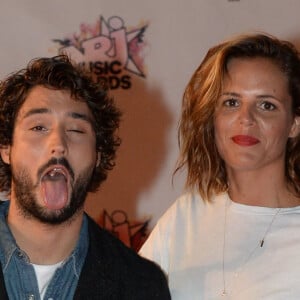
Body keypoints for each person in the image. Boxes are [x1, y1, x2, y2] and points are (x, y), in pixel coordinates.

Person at [140, 32, 300, 299]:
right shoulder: (184, 217)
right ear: (213, 116)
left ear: (294, 124)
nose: (245, 118)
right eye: (231, 102)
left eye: (266, 105)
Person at [0, 55, 171, 300]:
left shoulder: (140, 285)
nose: (58, 144)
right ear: (6, 148)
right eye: (39, 127)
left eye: (76, 130)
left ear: (98, 156)